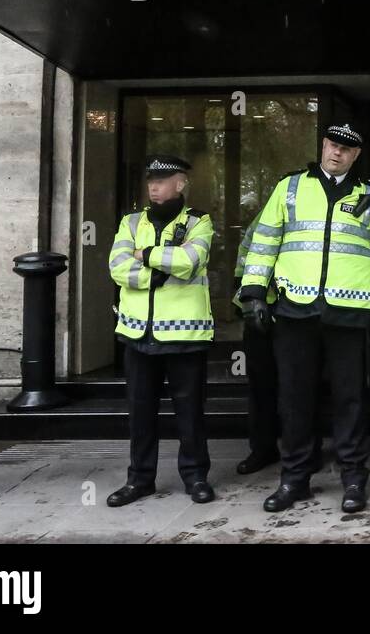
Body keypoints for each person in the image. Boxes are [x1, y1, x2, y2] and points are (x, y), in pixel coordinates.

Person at [238, 123, 370, 513]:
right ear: (323, 145)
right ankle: (294, 480)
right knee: (295, 399)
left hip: (349, 312)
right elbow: (264, 242)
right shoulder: (290, 188)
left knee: (351, 400)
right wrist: (253, 295)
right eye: (333, 145)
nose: (337, 153)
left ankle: (353, 480)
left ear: (357, 154)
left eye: (347, 148)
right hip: (295, 309)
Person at [106, 154, 216, 507]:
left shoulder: (200, 222)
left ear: (180, 184)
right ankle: (139, 480)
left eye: (162, 180)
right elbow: (117, 267)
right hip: (138, 335)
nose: (153, 186)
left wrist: (146, 253)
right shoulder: (131, 221)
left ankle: (196, 477)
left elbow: (189, 262)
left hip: (185, 335)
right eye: (150, 180)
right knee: (139, 414)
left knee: (190, 414)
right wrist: (156, 271)